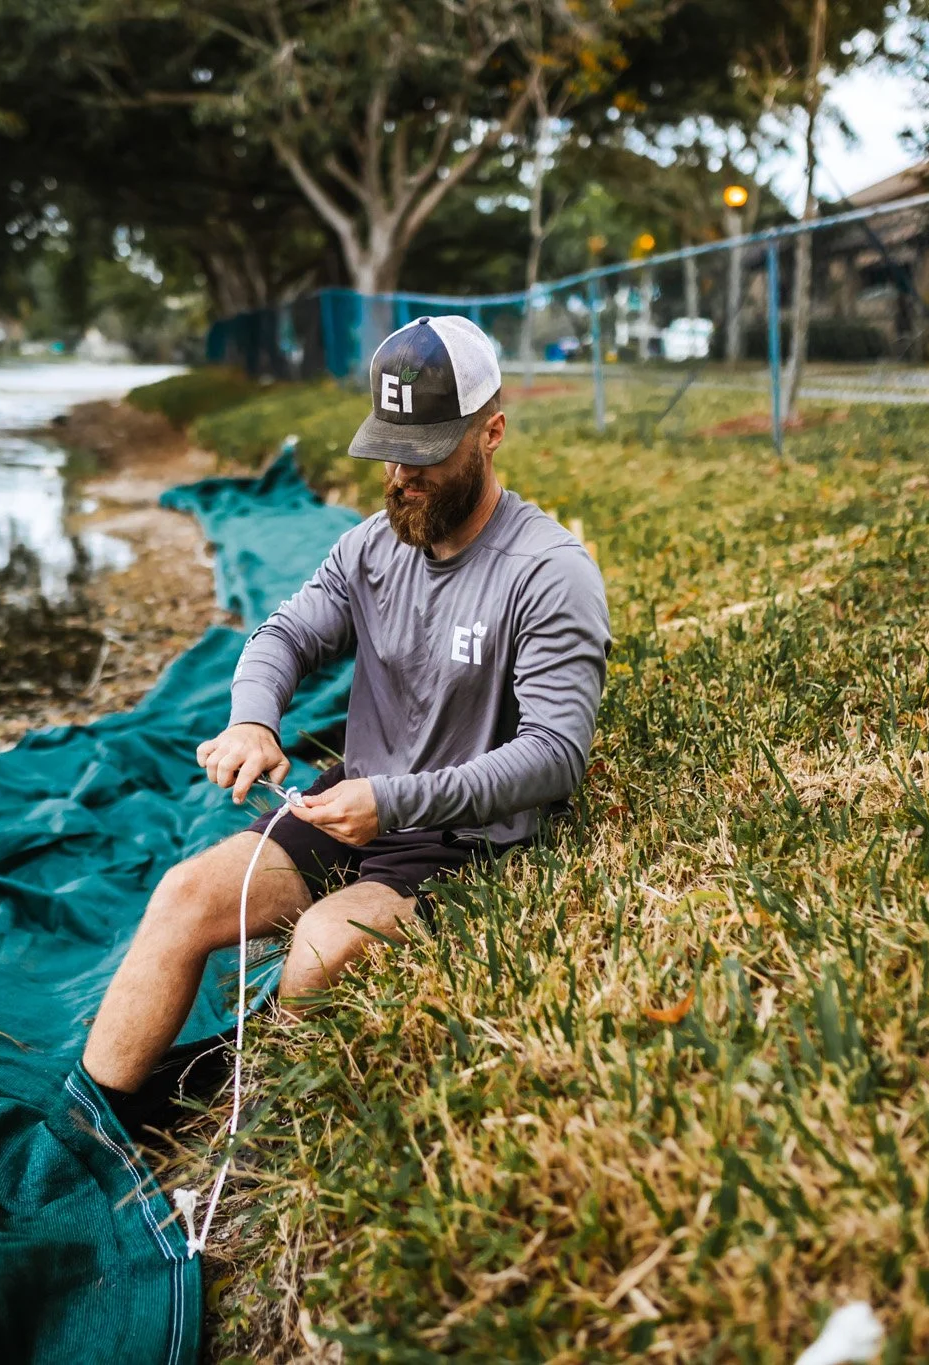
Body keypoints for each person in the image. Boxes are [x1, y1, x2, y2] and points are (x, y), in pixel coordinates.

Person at [82, 315, 611, 1127]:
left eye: (427, 453)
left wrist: (394, 805)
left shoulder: (549, 572)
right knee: (185, 892)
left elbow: (554, 755)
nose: (401, 477)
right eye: (389, 451)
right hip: (353, 798)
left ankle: (255, 1144)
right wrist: (255, 720)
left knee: (320, 953)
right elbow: (284, 634)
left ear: (492, 433)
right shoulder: (369, 547)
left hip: (468, 836)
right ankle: (94, 1127)